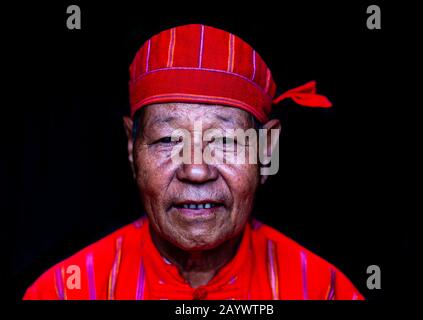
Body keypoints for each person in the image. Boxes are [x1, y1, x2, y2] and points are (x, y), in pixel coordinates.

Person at [23, 24, 363, 300]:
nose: (196, 169)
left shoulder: (323, 290)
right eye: (169, 140)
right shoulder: (67, 291)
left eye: (226, 141)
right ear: (132, 147)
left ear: (266, 150)